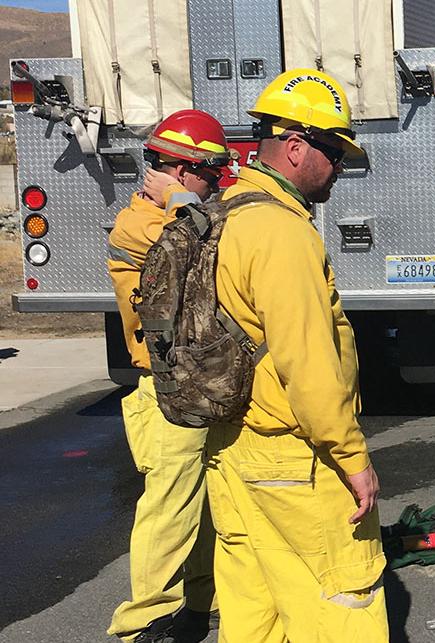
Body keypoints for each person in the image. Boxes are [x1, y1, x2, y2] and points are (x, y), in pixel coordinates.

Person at [203, 68, 389, 641]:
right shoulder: (281, 233)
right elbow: (307, 363)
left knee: (255, 608)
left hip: (230, 450)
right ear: (294, 147)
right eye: (333, 151)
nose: (339, 166)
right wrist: (352, 458)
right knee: (343, 600)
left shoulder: (224, 212)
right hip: (292, 458)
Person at [106, 109, 228, 643]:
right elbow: (204, 250)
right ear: (180, 174)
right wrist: (185, 205)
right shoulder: (141, 225)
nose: (216, 185)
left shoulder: (178, 213)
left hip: (194, 379)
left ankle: (204, 600)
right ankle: (145, 620)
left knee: (202, 499)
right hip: (165, 385)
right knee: (171, 503)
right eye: (209, 174)